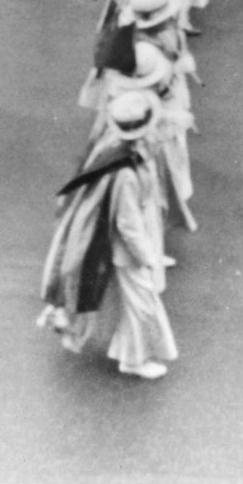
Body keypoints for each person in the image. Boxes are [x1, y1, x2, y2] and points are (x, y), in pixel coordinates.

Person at [38, 88, 178, 380]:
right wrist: (147, 256)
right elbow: (128, 224)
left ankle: (122, 350)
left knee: (131, 303)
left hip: (118, 246)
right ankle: (133, 360)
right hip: (127, 252)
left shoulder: (117, 153)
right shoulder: (126, 172)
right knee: (143, 305)